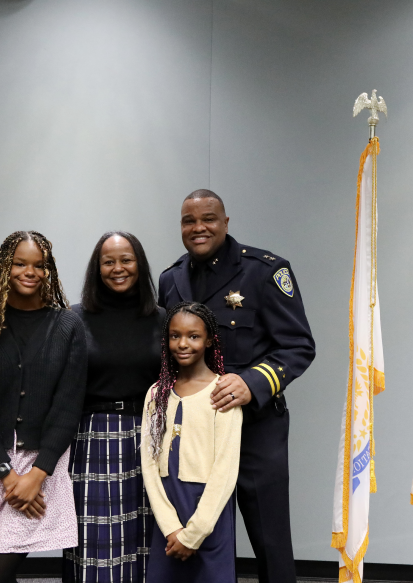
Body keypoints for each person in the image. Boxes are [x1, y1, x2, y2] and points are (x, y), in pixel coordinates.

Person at [157, 190, 316, 583]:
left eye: (208, 219)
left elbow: (298, 346)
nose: (198, 228)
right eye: (188, 221)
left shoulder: (264, 271)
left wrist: (252, 382)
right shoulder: (170, 279)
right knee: (194, 534)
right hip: (194, 434)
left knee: (270, 540)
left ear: (226, 223)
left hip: (254, 429)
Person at [0, 231, 87, 583]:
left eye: (39, 265)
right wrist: (8, 476)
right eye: (20, 263)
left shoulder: (67, 325)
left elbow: (68, 406)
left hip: (42, 464)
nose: (31, 272)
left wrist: (36, 476)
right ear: (3, 268)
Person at [65, 231, 166, 582]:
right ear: (97, 268)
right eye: (109, 261)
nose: (118, 268)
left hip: (153, 435)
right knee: (95, 543)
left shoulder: (162, 319)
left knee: (147, 537)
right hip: (92, 437)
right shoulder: (73, 319)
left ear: (139, 264)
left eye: (127, 260)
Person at [141, 302, 242, 583]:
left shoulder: (223, 392)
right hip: (167, 511)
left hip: (208, 513)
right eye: (175, 336)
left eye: (193, 336)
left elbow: (225, 470)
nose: (183, 344)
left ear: (209, 340)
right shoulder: (156, 393)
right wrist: (171, 528)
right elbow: (148, 464)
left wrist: (194, 534)